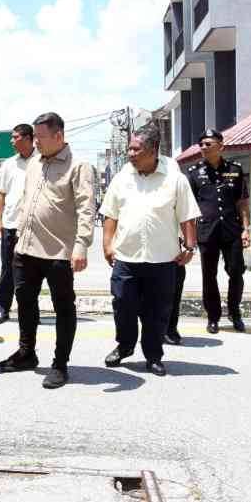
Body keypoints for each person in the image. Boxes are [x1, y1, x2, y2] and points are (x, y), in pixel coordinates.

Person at [0, 112, 95, 390]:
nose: (36, 142)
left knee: (64, 309)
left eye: (40, 137)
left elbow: (86, 209)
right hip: (26, 248)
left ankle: (60, 364)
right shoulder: (34, 164)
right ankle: (26, 353)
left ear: (59, 136)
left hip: (59, 252)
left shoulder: (79, 166)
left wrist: (81, 246)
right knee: (25, 304)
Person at [100, 124, 200, 376]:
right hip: (126, 257)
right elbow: (110, 214)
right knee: (123, 305)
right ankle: (124, 347)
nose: (131, 153)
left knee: (157, 312)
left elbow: (188, 216)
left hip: (163, 259)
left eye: (136, 149)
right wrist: (107, 243)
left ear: (153, 149)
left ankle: (154, 355)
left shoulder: (175, 179)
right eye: (129, 149)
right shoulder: (122, 178)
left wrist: (190, 246)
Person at [186, 128, 251, 334]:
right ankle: (213, 316)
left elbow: (242, 203)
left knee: (236, 272)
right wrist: (189, 236)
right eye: (202, 144)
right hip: (207, 231)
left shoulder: (235, 169)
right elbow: (189, 207)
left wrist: (246, 229)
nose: (204, 147)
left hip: (232, 230)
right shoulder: (194, 172)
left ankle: (234, 312)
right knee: (209, 275)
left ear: (220, 146)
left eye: (209, 144)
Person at [0, 123, 35, 325]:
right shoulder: (8, 164)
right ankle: (1, 308)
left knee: (32, 271)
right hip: (10, 224)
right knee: (7, 269)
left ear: (27, 138)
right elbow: (0, 194)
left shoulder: (42, 161)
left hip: (33, 227)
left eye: (15, 136)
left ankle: (30, 311)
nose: (11, 140)